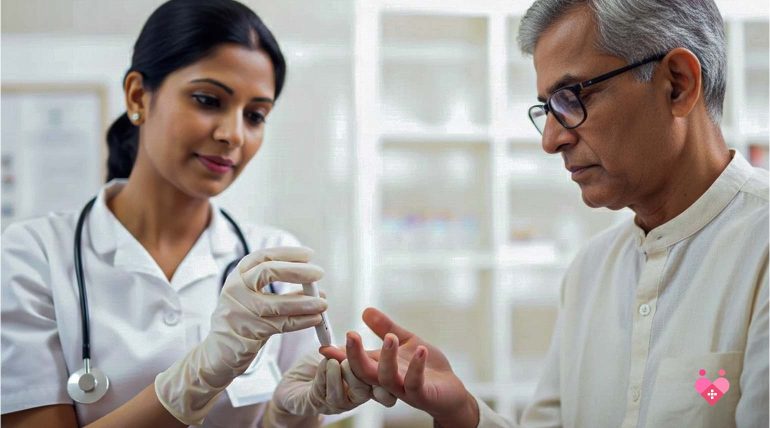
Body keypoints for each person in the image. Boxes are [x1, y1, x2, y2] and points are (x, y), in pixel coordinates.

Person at [322, 0, 769, 427]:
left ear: (677, 84)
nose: (551, 140)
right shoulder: (591, 270)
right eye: (548, 109)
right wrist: (463, 413)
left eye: (572, 98)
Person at [1, 0, 382, 426]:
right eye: (208, 100)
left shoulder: (273, 258)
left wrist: (289, 416)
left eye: (255, 115)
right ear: (137, 96)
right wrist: (196, 378)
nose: (233, 135)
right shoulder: (33, 255)